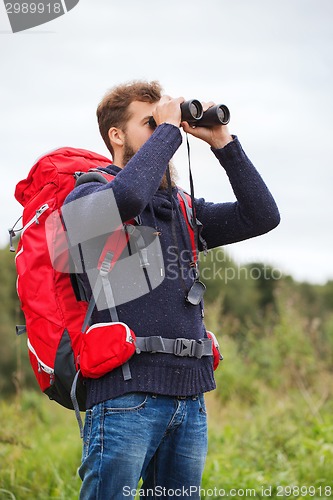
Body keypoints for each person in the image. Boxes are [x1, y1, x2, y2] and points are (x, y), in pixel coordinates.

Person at [63, 80, 280, 499]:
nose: (169, 132)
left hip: (189, 398)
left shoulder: (181, 207)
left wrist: (222, 142)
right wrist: (167, 132)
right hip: (126, 398)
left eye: (168, 123)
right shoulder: (86, 194)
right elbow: (126, 197)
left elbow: (262, 215)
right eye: (150, 123)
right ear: (116, 135)